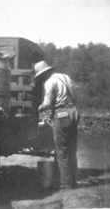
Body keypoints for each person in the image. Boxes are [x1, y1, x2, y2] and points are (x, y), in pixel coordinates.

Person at [34, 60, 80, 190]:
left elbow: (47, 103)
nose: (41, 78)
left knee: (62, 150)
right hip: (74, 112)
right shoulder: (65, 77)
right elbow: (76, 93)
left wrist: (38, 108)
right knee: (72, 149)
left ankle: (65, 184)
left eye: (41, 76)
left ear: (45, 73)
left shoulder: (50, 82)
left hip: (62, 114)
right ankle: (73, 180)